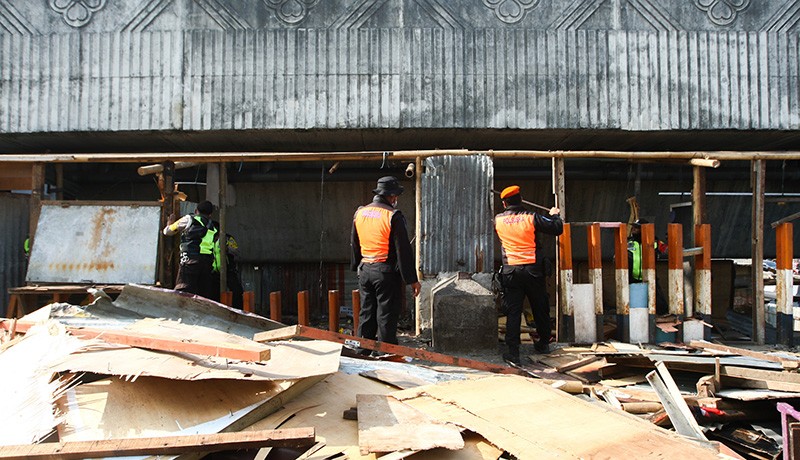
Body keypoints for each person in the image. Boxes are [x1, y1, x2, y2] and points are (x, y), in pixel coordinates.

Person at [494, 185, 563, 364]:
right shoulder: (531, 218)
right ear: (521, 199)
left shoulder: (498, 220)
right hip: (533, 270)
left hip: (511, 271)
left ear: (504, 203)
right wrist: (555, 214)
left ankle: (513, 353)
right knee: (540, 306)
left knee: (513, 312)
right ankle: (543, 344)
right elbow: (557, 228)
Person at [351, 176, 421, 347]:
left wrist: (356, 266)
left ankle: (362, 352)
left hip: (365, 270)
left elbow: (354, 243)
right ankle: (385, 353)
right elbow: (403, 250)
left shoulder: (360, 212)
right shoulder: (392, 215)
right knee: (386, 315)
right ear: (392, 196)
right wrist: (412, 280)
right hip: (385, 273)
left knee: (366, 313)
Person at [162, 200, 217, 299]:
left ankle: (182, 314)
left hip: (190, 260)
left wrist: (169, 223)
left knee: (183, 292)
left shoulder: (189, 219)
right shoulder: (213, 227)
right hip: (207, 263)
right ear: (210, 214)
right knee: (203, 295)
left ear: (196, 211)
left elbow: (168, 231)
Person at [627, 218, 668, 315]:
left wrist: (677, 248)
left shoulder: (655, 242)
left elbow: (666, 249)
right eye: (633, 227)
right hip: (633, 280)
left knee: (660, 306)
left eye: (637, 227)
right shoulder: (628, 243)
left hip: (651, 279)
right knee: (635, 307)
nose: (633, 229)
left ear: (644, 229)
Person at [210, 226, 245, 309]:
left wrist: (227, 248)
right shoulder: (209, 239)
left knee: (237, 291)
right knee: (213, 293)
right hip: (214, 271)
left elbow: (236, 251)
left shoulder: (227, 238)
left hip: (228, 270)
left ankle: (237, 310)